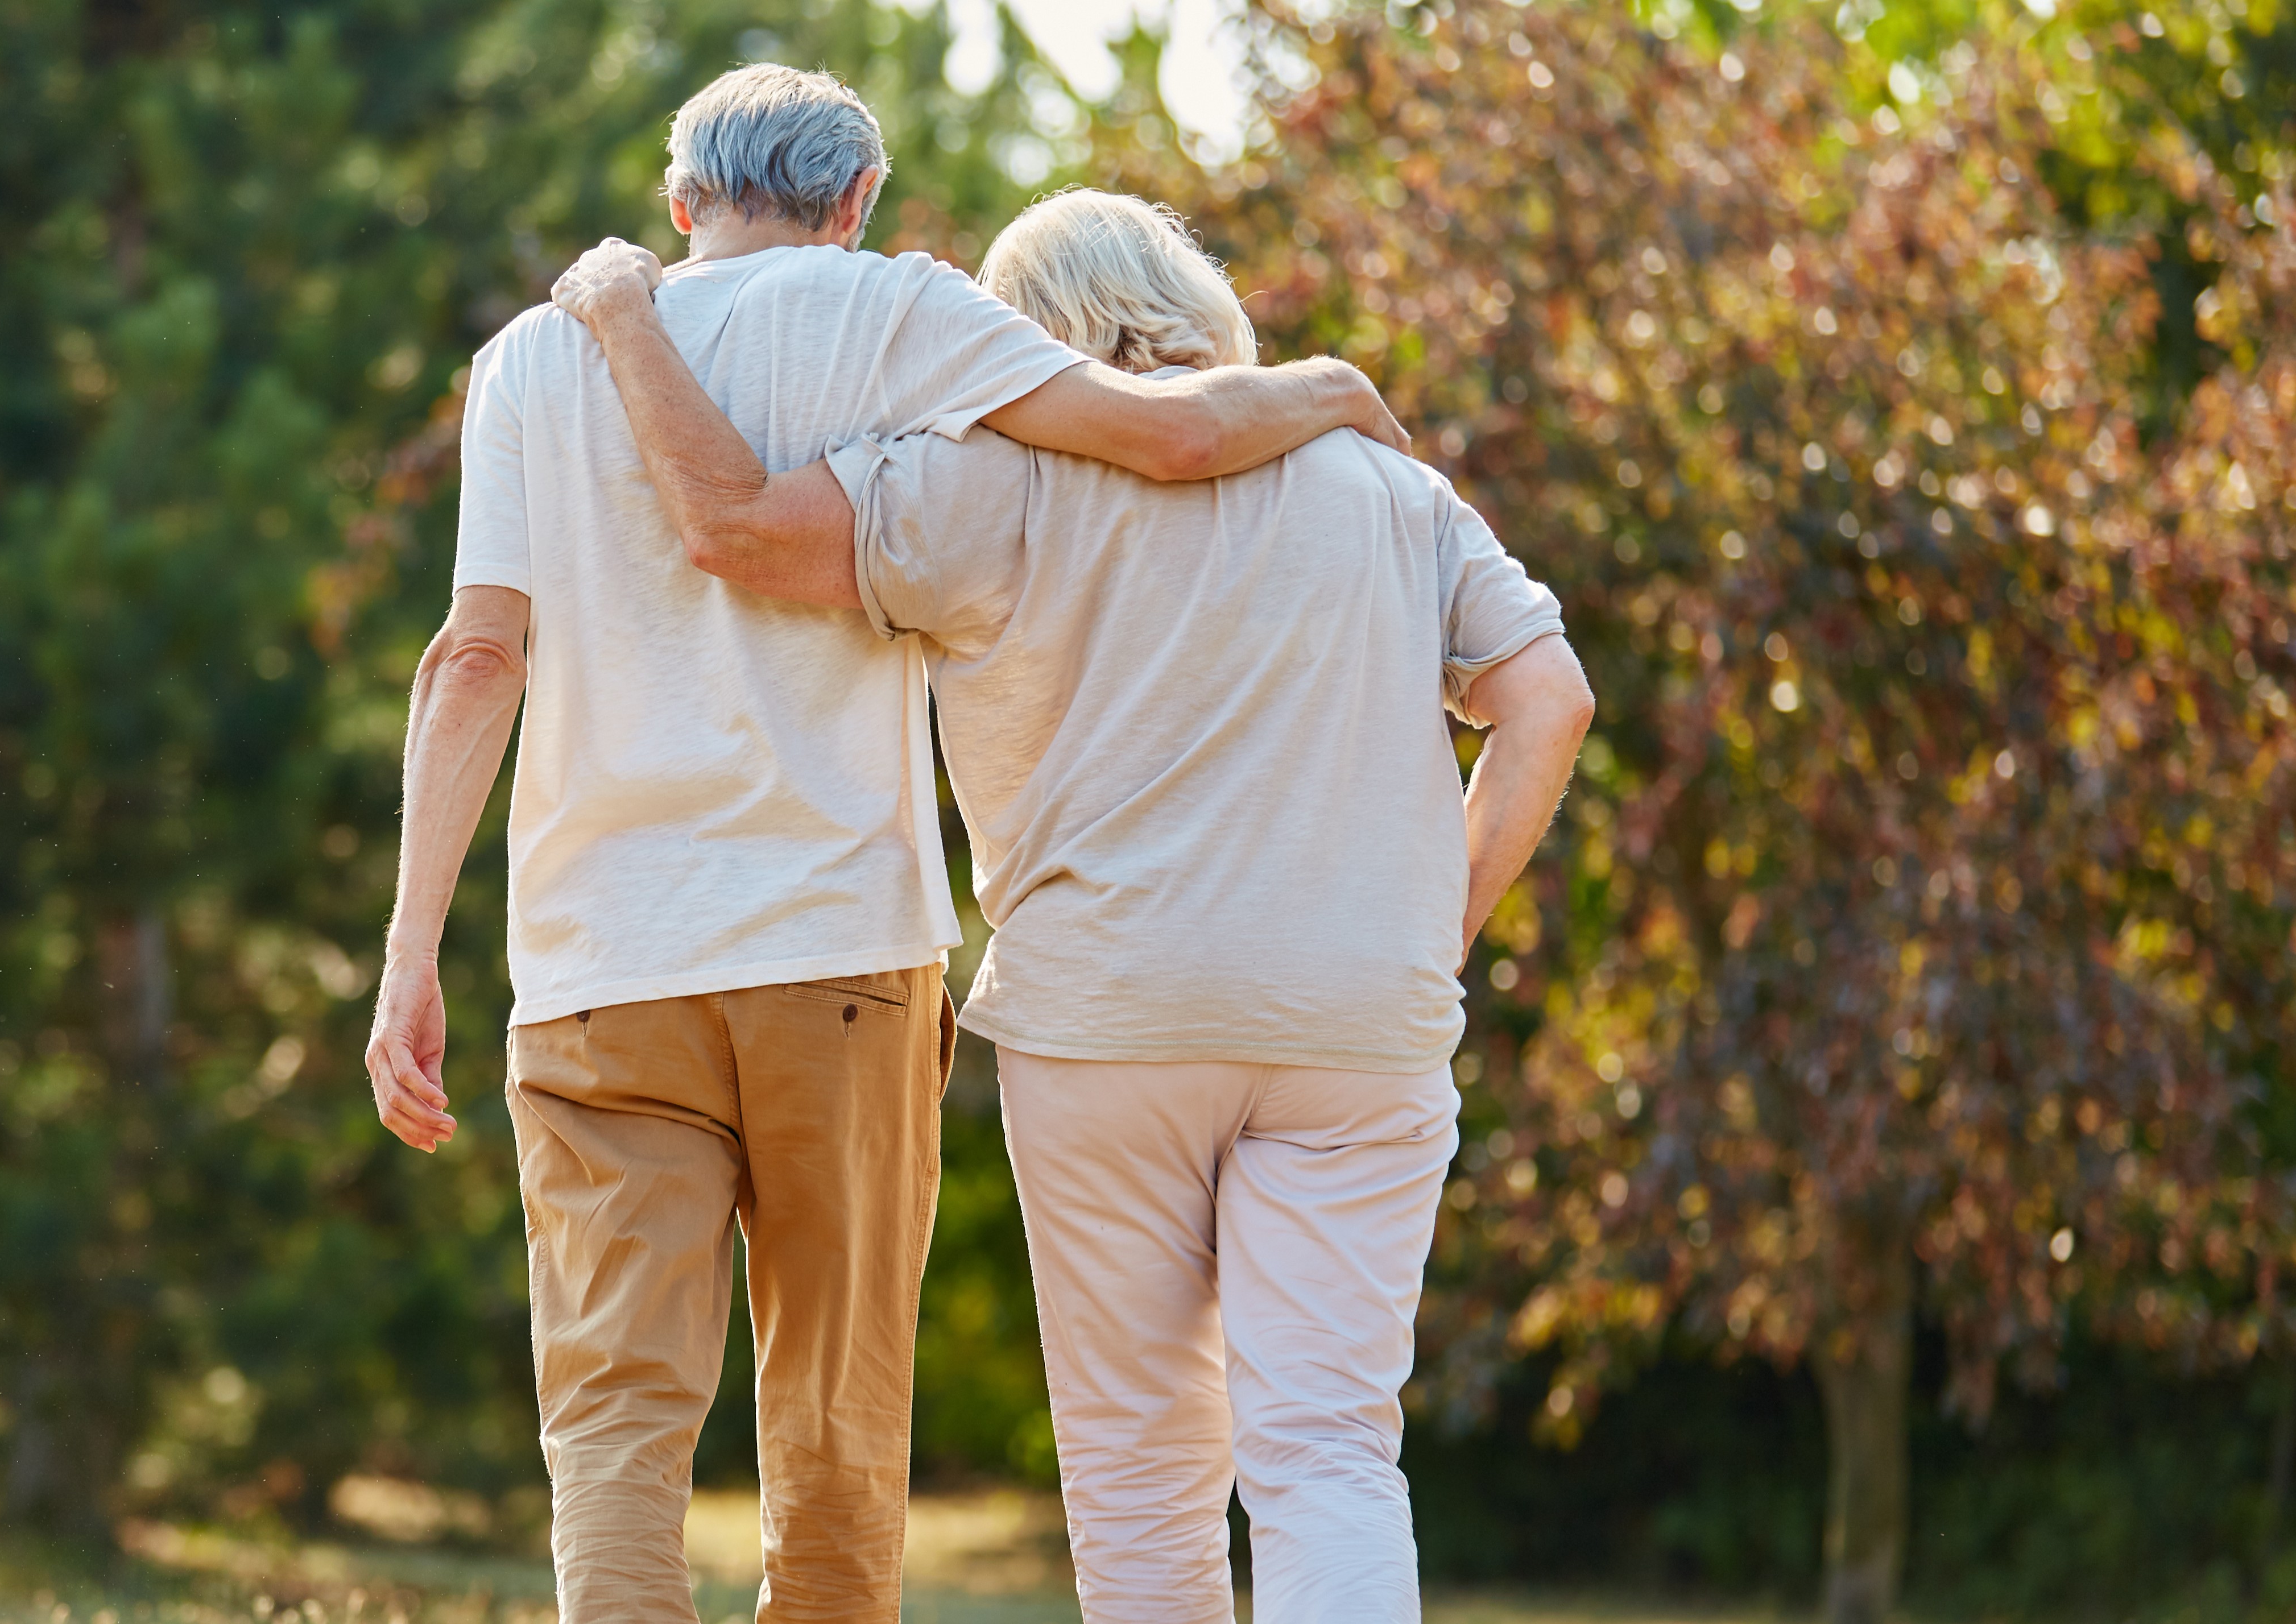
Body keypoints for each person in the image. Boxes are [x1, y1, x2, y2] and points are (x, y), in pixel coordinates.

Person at [362, 67, 1408, 1623]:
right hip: (840, 965)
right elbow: (1164, 438)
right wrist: (1325, 389)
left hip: (597, 969)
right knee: (837, 1434)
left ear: (679, 199)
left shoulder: (533, 357)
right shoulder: (899, 317)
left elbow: (476, 660)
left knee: (614, 1430)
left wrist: (407, 962)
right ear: (855, 204)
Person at [548, 189, 1594, 1622]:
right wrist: (1437, 926)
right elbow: (1549, 698)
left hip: (1105, 1023)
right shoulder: (1387, 488)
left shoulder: (983, 480)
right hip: (1361, 1022)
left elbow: (735, 528)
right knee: (1332, 1454)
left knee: (1141, 1476)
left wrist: (625, 318)